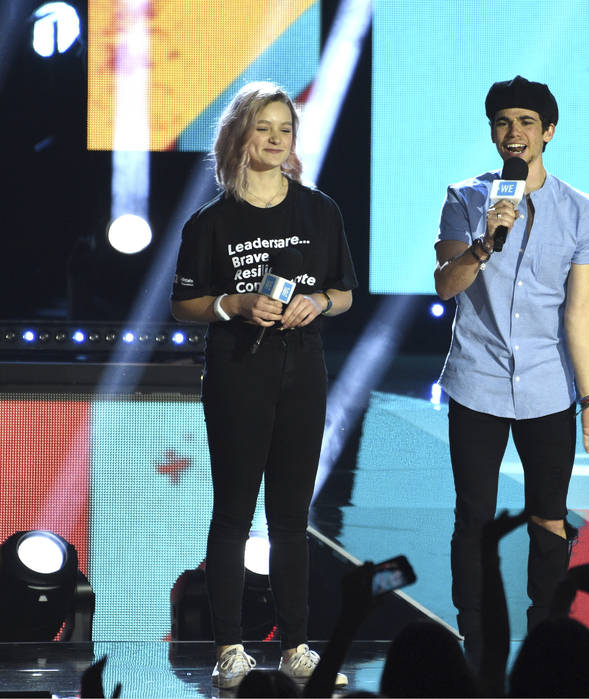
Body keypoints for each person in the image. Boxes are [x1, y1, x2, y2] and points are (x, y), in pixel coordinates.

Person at [433, 75, 589, 666]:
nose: (513, 133)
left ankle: (547, 637)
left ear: (548, 131)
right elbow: (445, 286)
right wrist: (482, 246)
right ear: (491, 133)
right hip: (477, 376)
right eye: (502, 123)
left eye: (525, 122)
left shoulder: (582, 211)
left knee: (548, 513)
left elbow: (579, 308)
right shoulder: (466, 198)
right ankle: (477, 638)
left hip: (548, 383)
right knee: (474, 513)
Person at [171, 81, 357, 690]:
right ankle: (230, 648)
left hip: (302, 372)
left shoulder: (320, 210)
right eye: (264, 128)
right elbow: (185, 303)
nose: (277, 140)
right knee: (232, 515)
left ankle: (298, 645)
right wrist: (232, 303)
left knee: (290, 519)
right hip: (236, 375)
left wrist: (319, 302)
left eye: (285, 129)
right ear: (239, 136)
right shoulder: (210, 223)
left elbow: (346, 293)